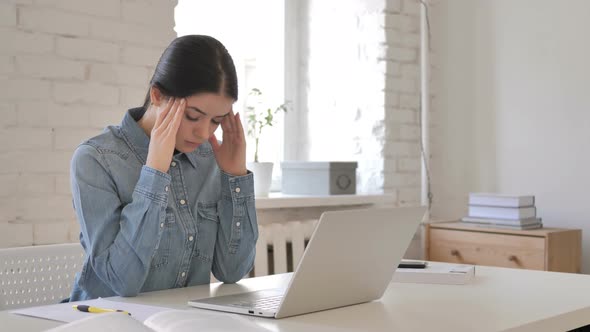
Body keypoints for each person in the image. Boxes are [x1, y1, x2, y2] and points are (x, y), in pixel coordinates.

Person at [68, 35, 258, 301]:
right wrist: (155, 173)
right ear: (157, 95)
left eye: (216, 121)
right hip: (103, 320)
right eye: (192, 116)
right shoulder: (95, 159)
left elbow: (232, 271)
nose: (203, 132)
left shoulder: (209, 158)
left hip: (180, 321)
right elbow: (122, 282)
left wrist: (235, 176)